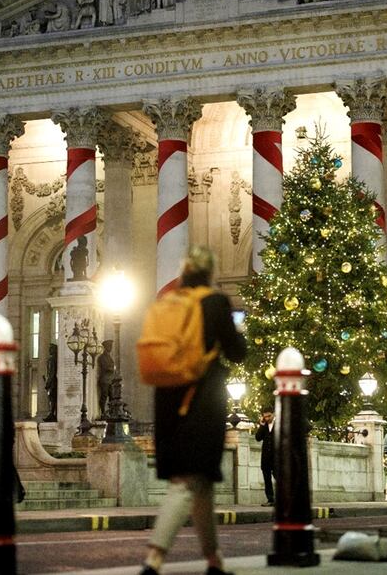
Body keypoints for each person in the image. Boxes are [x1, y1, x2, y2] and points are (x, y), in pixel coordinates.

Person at [140, 245, 247, 575]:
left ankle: (214, 560)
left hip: (166, 399)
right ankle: (153, 559)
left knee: (201, 482)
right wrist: (236, 330)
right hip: (201, 399)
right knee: (187, 481)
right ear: (210, 272)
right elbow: (237, 353)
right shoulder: (214, 302)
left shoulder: (166, 302)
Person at [254, 407, 275, 507]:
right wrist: (261, 425)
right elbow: (258, 438)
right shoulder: (264, 425)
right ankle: (270, 499)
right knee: (267, 478)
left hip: (277, 456)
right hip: (266, 457)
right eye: (265, 417)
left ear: (273, 414)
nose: (267, 418)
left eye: (269, 416)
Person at [97, 339, 115, 418]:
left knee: (112, 396)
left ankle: (111, 412)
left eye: (111, 346)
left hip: (110, 380)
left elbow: (112, 367)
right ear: (105, 347)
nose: (110, 348)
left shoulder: (109, 357)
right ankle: (103, 412)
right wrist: (111, 368)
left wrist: (112, 368)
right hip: (104, 380)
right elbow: (105, 368)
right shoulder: (102, 357)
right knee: (104, 396)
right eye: (109, 346)